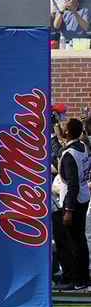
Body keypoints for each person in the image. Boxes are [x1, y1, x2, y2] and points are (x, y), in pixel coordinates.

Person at [54, 118, 90, 291]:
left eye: (64, 127)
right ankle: (81, 277)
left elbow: (73, 184)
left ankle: (78, 280)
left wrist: (68, 210)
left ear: (68, 132)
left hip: (73, 201)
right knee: (79, 240)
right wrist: (56, 134)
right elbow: (59, 151)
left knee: (74, 243)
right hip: (82, 198)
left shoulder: (71, 154)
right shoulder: (82, 146)